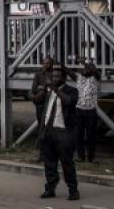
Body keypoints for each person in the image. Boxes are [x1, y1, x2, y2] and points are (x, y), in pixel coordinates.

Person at [34, 67, 80, 200]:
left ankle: (73, 190)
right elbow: (37, 102)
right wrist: (43, 90)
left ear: (64, 78)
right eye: (53, 76)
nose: (54, 79)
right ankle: (50, 188)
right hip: (48, 131)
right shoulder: (49, 92)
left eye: (57, 76)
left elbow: (69, 101)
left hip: (64, 133)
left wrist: (55, 89)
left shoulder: (72, 91)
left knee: (67, 163)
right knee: (49, 163)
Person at [68, 60, 101, 163]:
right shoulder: (79, 78)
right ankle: (80, 156)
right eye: (84, 68)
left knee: (91, 135)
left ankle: (91, 157)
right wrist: (60, 64)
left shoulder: (95, 78)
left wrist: (84, 62)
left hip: (91, 111)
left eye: (87, 68)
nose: (84, 70)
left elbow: (95, 71)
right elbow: (69, 72)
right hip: (79, 110)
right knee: (79, 134)